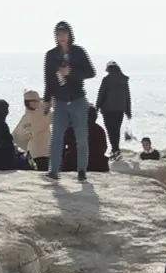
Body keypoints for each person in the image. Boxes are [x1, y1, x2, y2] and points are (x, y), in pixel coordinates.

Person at [43, 20, 97, 181]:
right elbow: (49, 80)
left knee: (81, 137)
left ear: (70, 34)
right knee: (57, 136)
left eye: (64, 33)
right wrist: (46, 100)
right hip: (59, 101)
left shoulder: (78, 52)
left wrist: (71, 72)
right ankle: (54, 171)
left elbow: (91, 72)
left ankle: (81, 171)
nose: (61, 37)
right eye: (58, 34)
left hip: (78, 100)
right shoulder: (51, 55)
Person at [96, 60, 132, 160]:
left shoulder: (107, 80)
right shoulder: (124, 80)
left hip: (108, 109)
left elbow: (101, 94)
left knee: (110, 130)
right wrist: (128, 111)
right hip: (120, 109)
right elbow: (127, 97)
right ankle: (116, 150)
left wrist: (97, 107)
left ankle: (115, 150)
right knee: (116, 130)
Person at [62, 104, 111, 173]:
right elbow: (103, 147)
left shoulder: (72, 129)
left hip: (74, 164)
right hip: (97, 165)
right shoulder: (99, 130)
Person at [14, 90, 52, 171]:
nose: (38, 103)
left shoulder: (25, 117)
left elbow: (17, 136)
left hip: (33, 152)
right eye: (36, 101)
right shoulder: (41, 114)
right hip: (42, 153)